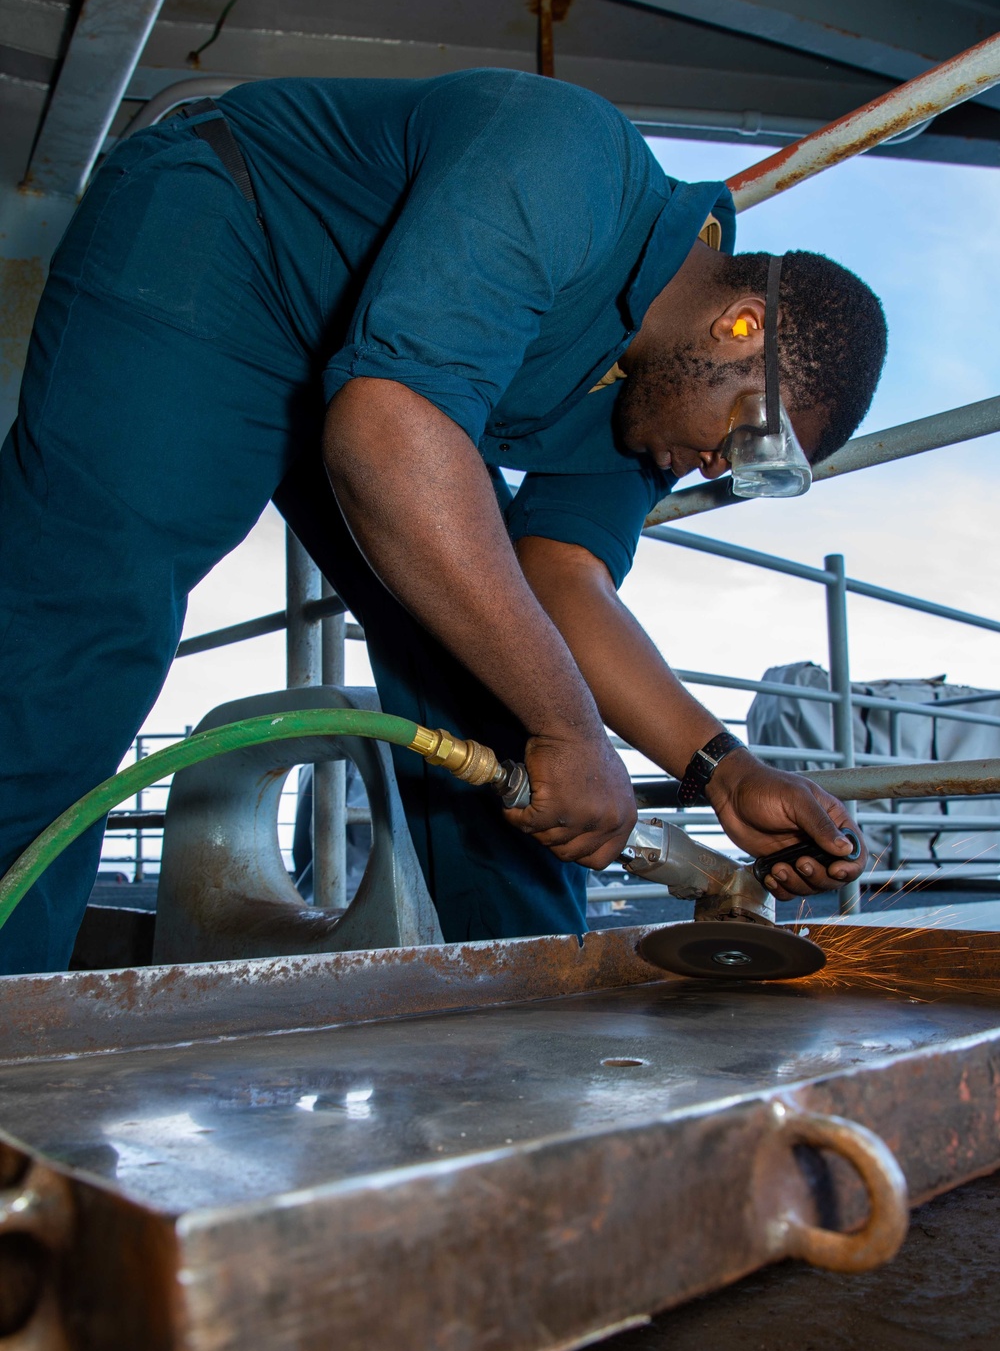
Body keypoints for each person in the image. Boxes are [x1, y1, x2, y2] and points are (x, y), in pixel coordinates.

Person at [0, 69, 886, 974]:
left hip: (377, 384)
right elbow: (387, 431)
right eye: (741, 442)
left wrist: (724, 771)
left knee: (499, 687)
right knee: (76, 632)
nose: (713, 471)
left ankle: (523, 1006)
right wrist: (573, 731)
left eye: (746, 476)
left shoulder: (648, 410)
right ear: (739, 329)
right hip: (226, 237)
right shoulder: (564, 157)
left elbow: (561, 581)